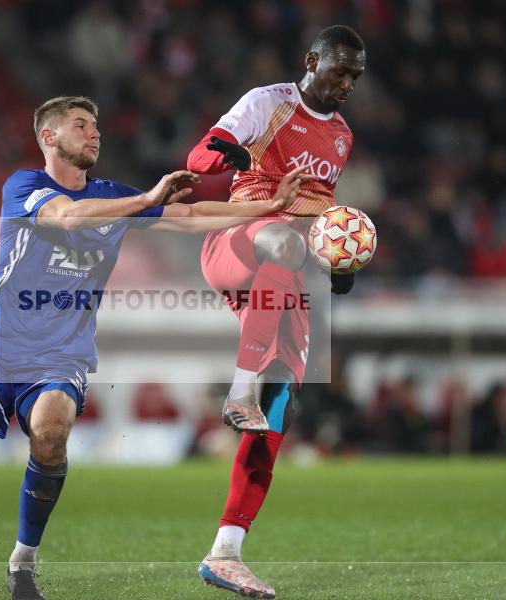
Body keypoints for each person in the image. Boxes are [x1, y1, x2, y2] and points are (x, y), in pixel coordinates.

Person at [0, 95, 310, 600]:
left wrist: (267, 205)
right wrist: (143, 200)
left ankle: (23, 563)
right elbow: (67, 218)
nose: (95, 133)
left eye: (96, 126)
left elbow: (192, 213)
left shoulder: (114, 194)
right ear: (49, 137)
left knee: (50, 432)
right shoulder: (24, 186)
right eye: (81, 125)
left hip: (61, 356)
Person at [186, 25, 367, 598]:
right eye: (340, 71)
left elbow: (319, 222)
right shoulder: (269, 103)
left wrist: (341, 263)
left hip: (284, 277)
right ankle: (239, 390)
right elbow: (200, 155)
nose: (346, 84)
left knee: (281, 403)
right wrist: (230, 154)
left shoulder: (342, 138)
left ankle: (227, 551)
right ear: (312, 60)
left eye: (355, 77)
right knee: (283, 242)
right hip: (238, 239)